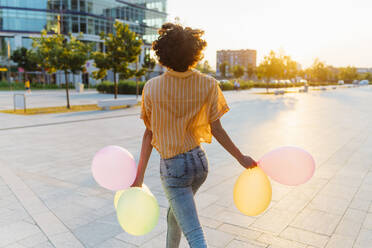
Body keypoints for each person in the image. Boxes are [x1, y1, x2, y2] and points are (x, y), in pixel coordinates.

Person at [132, 23, 257, 248]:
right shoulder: (208, 84)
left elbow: (148, 135)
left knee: (195, 234)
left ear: (162, 53)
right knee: (175, 215)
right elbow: (216, 129)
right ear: (195, 53)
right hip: (199, 164)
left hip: (174, 170)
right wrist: (241, 158)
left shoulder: (152, 88)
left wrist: (139, 177)